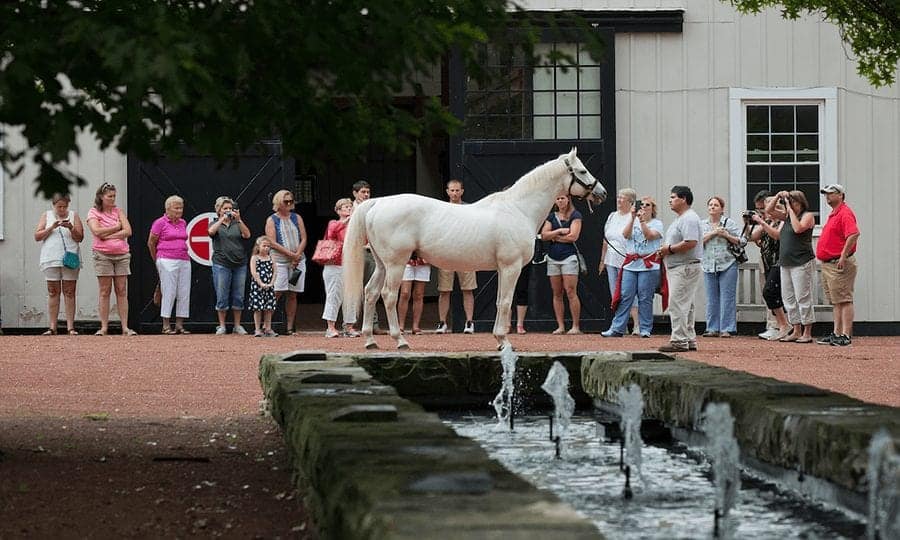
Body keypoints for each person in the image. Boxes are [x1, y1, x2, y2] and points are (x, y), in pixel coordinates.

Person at [602, 196, 663, 338]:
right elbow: (625, 234)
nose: (644, 208)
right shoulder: (633, 221)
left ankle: (645, 328)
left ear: (652, 209)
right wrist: (632, 217)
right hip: (631, 264)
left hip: (648, 265)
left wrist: (642, 222)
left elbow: (650, 236)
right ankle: (617, 328)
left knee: (645, 297)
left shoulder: (657, 223)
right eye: (642, 205)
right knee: (625, 295)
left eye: (648, 205)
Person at [86, 182, 136, 336]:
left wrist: (108, 235)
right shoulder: (93, 212)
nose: (113, 199)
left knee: (121, 290)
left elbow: (128, 231)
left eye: (114, 196)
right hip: (102, 255)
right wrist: (116, 228)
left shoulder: (118, 211)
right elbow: (97, 231)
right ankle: (104, 327)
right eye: (109, 196)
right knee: (104, 290)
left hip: (121, 254)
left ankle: (125, 327)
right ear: (101, 197)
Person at [657, 185, 703, 352]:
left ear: (684, 199)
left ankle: (678, 340)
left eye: (673, 197)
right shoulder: (682, 218)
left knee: (677, 304)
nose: (670, 200)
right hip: (682, 266)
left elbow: (691, 242)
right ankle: (689, 339)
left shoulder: (688, 218)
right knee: (687, 305)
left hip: (684, 267)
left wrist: (668, 249)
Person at [767, 190, 816, 343]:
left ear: (800, 202)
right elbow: (769, 210)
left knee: (803, 296)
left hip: (801, 261)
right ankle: (796, 329)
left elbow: (798, 228)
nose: (791, 204)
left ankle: (807, 331)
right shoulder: (787, 216)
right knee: (788, 298)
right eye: (790, 201)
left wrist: (789, 209)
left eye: (794, 201)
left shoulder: (807, 216)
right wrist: (778, 197)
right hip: (786, 262)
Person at [815, 184, 860, 347]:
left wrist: (842, 255)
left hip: (838, 263)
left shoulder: (845, 213)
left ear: (840, 195)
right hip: (829, 264)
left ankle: (846, 335)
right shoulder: (835, 214)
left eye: (831, 194)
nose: (827, 197)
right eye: (826, 194)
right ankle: (837, 333)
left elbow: (854, 234)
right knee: (836, 301)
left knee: (844, 299)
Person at [34, 193, 84, 335]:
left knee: (69, 291)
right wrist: (51, 228)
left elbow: (80, 237)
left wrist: (71, 227)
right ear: (53, 205)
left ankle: (70, 327)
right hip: (51, 257)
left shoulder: (74, 215)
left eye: (64, 206)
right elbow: (37, 236)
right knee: (52, 291)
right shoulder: (47, 216)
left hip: (70, 257)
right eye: (59, 207)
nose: (62, 209)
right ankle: (52, 326)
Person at [746, 194, 791, 340]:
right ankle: (779, 325)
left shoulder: (784, 221)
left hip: (781, 261)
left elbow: (777, 236)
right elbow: (751, 237)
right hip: (768, 262)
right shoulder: (769, 222)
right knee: (771, 293)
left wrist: (761, 221)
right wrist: (748, 223)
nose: (767, 212)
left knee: (771, 292)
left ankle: (784, 325)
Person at [436, 179, 477, 334]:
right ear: (447, 192)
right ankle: (442, 323)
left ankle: (469, 322)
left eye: (457, 190)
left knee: (468, 289)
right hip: (445, 254)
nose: (454, 193)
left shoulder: (470, 209)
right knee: (444, 290)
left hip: (466, 254)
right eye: (451, 190)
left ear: (462, 191)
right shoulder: (441, 210)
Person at [699, 196, 743, 338]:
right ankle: (712, 328)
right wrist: (713, 233)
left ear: (722, 209)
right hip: (708, 264)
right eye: (710, 205)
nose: (712, 207)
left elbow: (741, 241)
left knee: (727, 296)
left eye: (716, 205)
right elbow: (697, 242)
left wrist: (726, 235)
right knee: (711, 297)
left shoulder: (728, 223)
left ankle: (727, 328)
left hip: (728, 262)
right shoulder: (702, 224)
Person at [265, 190, 307, 336]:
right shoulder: (272, 220)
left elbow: (304, 238)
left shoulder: (297, 217)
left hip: (297, 261)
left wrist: (297, 255)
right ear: (278, 203)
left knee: (293, 294)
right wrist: (291, 255)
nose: (289, 204)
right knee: (277, 292)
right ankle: (267, 326)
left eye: (291, 201)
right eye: (286, 201)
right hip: (280, 261)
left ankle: (290, 327)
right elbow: (272, 242)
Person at [541, 192, 583, 335]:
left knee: (571, 291)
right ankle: (560, 326)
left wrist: (554, 237)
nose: (560, 201)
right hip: (553, 258)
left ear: (568, 199)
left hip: (568, 257)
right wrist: (559, 231)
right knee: (557, 293)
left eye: (562, 198)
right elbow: (544, 235)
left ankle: (575, 326)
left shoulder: (575, 215)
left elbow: (573, 236)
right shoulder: (551, 216)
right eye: (557, 198)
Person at [148, 195, 191, 334]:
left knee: (184, 291)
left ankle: (179, 324)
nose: (179, 210)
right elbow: (151, 242)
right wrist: (157, 259)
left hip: (184, 259)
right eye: (176, 208)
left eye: (181, 207)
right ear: (168, 209)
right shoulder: (160, 222)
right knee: (169, 291)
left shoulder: (183, 222)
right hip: (166, 259)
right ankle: (166, 325)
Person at [208, 196, 251, 335]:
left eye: (230, 208)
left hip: (240, 263)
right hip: (221, 263)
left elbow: (247, 235)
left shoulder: (237, 223)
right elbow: (211, 232)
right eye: (225, 208)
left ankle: (237, 325)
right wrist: (221, 219)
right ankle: (222, 326)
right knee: (222, 294)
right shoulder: (214, 223)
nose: (228, 211)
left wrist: (238, 219)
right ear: (219, 210)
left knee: (238, 295)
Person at [600, 188, 641, 333]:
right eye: (618, 197)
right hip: (611, 259)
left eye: (622, 198)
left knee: (630, 292)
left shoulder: (634, 217)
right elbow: (606, 239)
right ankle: (620, 325)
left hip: (627, 258)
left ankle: (637, 324)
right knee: (615, 292)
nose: (619, 200)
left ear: (631, 201)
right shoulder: (612, 216)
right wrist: (602, 260)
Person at [321, 198, 359, 338]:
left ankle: (349, 326)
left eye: (350, 207)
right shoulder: (334, 223)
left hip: (350, 264)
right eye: (345, 207)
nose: (348, 209)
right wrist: (347, 220)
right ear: (338, 210)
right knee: (334, 294)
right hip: (335, 265)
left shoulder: (354, 225)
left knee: (351, 296)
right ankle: (330, 327)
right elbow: (332, 233)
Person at [353, 180, 380, 332]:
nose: (366, 195)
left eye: (368, 192)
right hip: (358, 251)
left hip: (372, 251)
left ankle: (373, 323)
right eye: (363, 192)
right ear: (355, 193)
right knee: (356, 287)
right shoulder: (349, 208)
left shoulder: (374, 208)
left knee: (372, 287)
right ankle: (352, 322)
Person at [248, 236, 278, 337]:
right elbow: (254, 272)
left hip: (269, 287)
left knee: (269, 308)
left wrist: (271, 283)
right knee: (257, 308)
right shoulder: (254, 258)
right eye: (264, 246)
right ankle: (257, 329)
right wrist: (261, 283)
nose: (266, 248)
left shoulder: (271, 258)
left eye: (268, 246)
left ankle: (268, 328)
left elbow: (275, 272)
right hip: (258, 287)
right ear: (258, 246)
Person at [397, 252, 430, 335]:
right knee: (404, 293)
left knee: (419, 294)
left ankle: (415, 326)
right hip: (406, 259)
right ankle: (400, 326)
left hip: (423, 260)